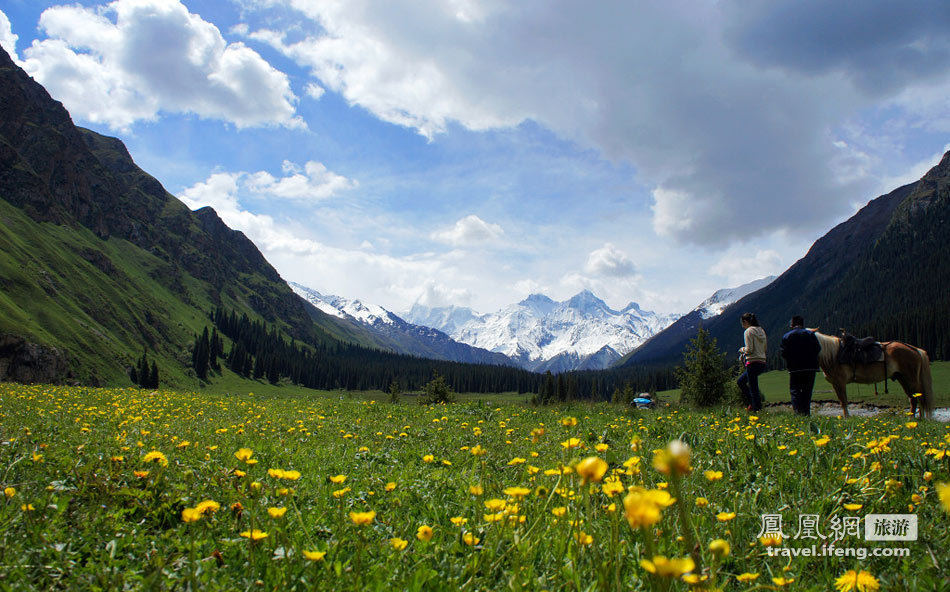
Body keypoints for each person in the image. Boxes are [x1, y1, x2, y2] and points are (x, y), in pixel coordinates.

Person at [780, 316, 821, 415]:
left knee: (795, 391)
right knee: (807, 391)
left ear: (792, 324)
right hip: (810, 368)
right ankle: (806, 413)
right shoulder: (810, 334)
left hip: (795, 369)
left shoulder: (787, 336)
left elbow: (783, 353)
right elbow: (818, 348)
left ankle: (798, 413)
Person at [737, 312, 767, 411]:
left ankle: (756, 409)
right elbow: (765, 347)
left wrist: (742, 350)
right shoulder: (761, 330)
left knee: (752, 387)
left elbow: (749, 349)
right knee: (742, 382)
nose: (742, 325)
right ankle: (753, 405)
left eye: (742, 323)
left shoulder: (748, 331)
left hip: (752, 361)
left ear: (745, 322)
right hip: (762, 361)